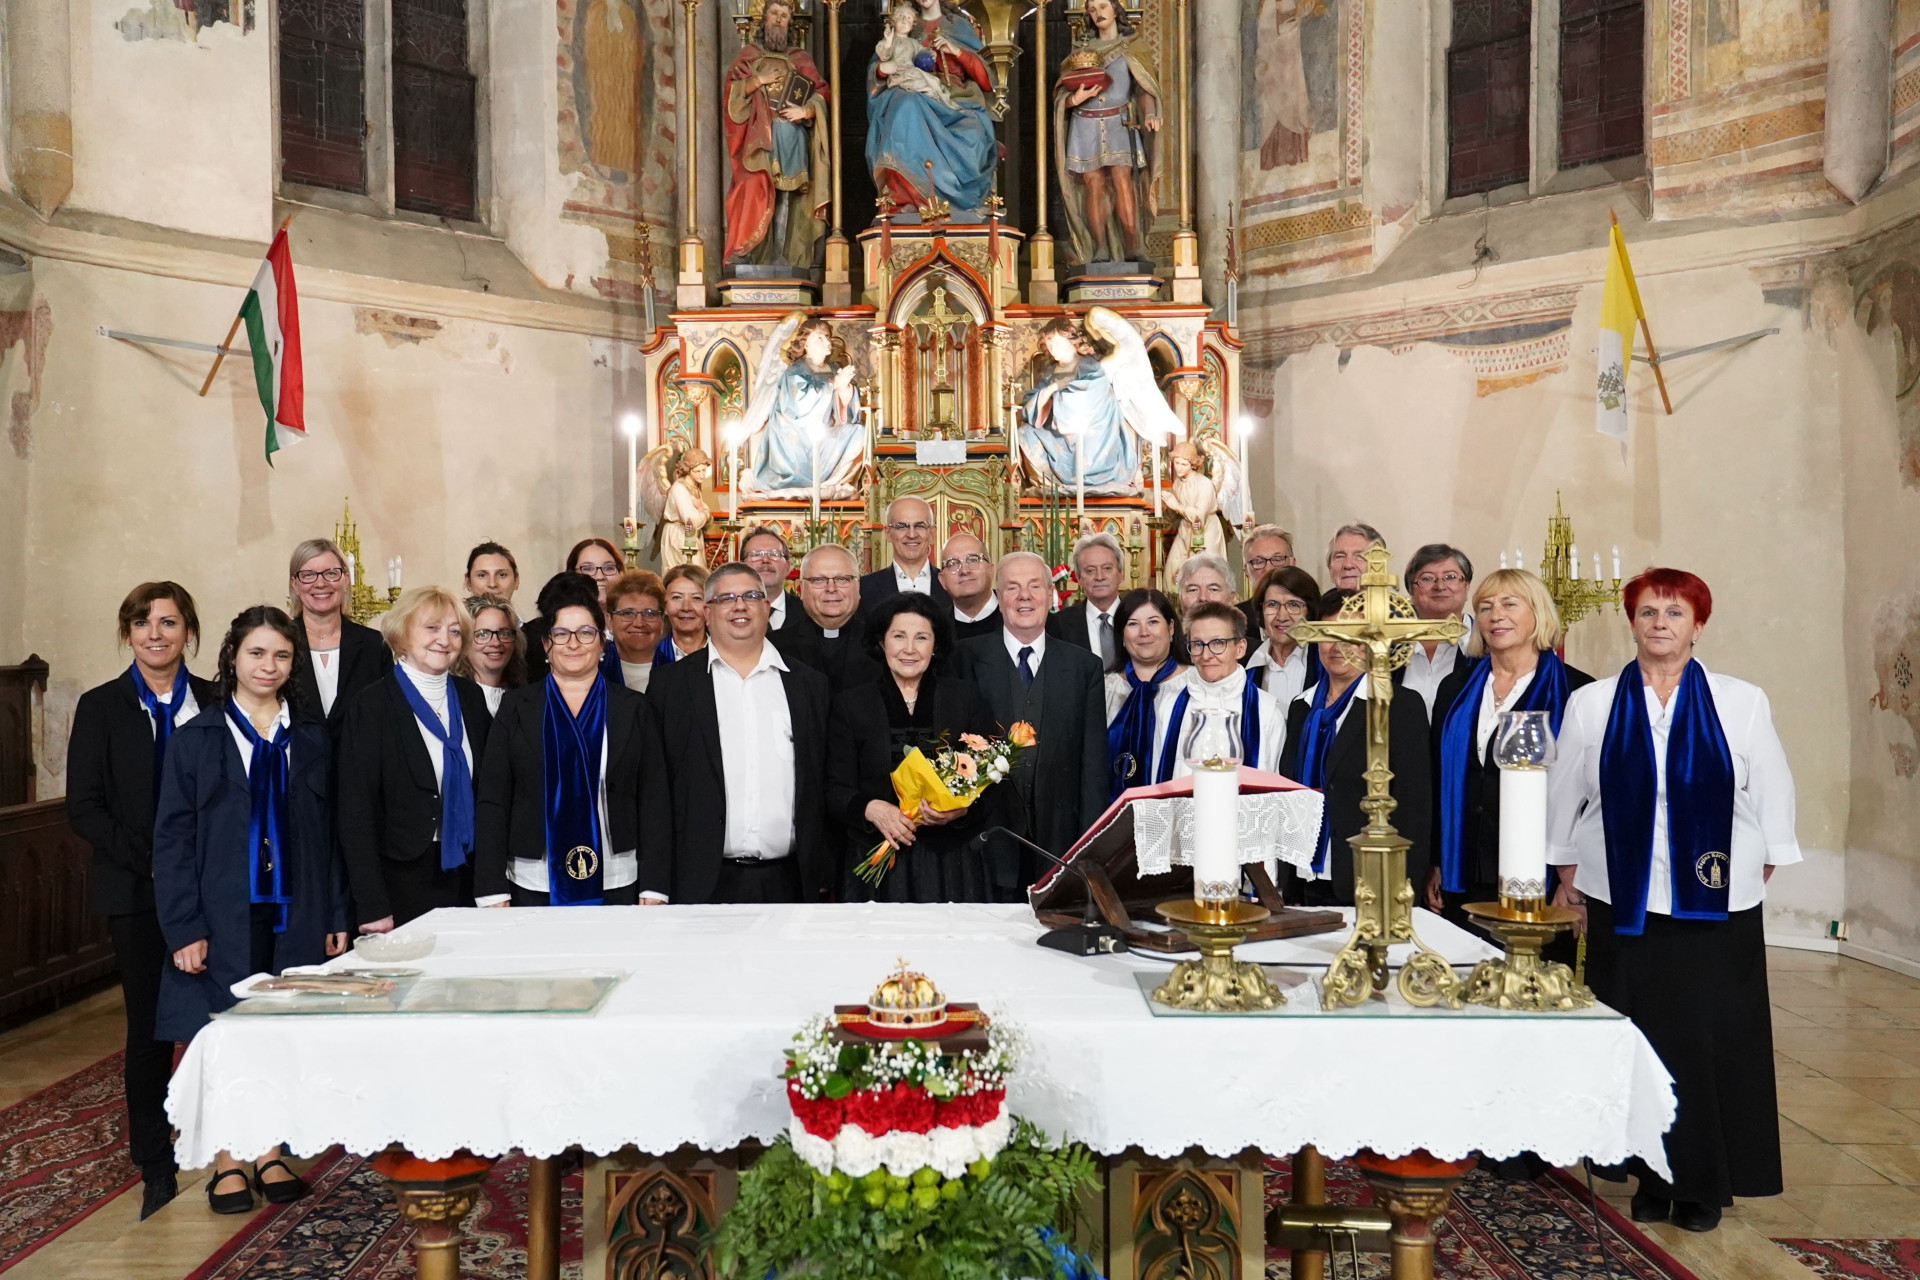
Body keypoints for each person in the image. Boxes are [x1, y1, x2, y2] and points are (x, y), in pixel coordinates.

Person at [1548, 569, 1799, 1233]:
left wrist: (1757, 862)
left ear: (1698, 625)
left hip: (1713, 906)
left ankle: (1700, 1184)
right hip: (1620, 897)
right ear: (1631, 621)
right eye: (1649, 611)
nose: (1661, 623)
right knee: (1637, 1040)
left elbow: (1772, 790)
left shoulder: (1740, 701)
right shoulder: (1595, 704)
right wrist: (1566, 869)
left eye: (1676, 613)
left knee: (1706, 1041)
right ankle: (1648, 1178)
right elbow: (1563, 790)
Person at [152, 606, 347, 1214]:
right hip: (222, 913)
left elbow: (330, 833)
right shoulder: (198, 739)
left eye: (282, 656)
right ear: (233, 656)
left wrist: (336, 913)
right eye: (257, 653)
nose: (269, 666)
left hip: (295, 911)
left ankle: (268, 1149)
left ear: (294, 665)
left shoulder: (310, 739)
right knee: (224, 1034)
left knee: (276, 1033)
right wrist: (184, 926)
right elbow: (172, 839)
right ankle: (227, 1161)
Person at [66, 582, 218, 1219]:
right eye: (141, 622)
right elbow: (85, 807)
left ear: (189, 633)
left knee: (219, 1024)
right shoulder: (101, 707)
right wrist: (152, 859)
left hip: (211, 893)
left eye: (169, 622)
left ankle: (230, 1150)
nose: (155, 633)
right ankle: (155, 1161)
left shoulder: (215, 700)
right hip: (134, 891)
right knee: (149, 1028)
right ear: (127, 633)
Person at [648, 563, 832, 903]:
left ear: (766, 607)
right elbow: (655, 790)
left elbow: (822, 782)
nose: (740, 605)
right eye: (726, 598)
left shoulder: (809, 686)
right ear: (707, 611)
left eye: (751, 596)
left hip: (792, 880)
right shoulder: (670, 686)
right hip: (699, 880)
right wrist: (655, 881)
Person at [473, 591, 671, 907]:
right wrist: (491, 887)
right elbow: (493, 799)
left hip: (617, 876)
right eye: (561, 634)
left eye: (585, 633)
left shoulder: (633, 708)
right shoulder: (517, 708)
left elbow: (654, 799)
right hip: (533, 879)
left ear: (602, 643)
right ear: (546, 645)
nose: (573, 643)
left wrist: (655, 886)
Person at [1427, 569, 1592, 917]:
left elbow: (1586, 794)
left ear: (1538, 613)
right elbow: (1437, 779)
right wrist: (1436, 862)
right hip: (1464, 869)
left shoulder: (1576, 690)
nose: (1495, 615)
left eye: (1509, 604)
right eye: (1485, 607)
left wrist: (1570, 877)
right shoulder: (1455, 689)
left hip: (1541, 875)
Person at [827, 593, 1002, 902]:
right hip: (876, 857)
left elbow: (991, 782)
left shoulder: (966, 699)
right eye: (898, 636)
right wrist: (873, 809)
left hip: (951, 863)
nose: (909, 649)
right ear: (882, 642)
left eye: (921, 637)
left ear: (935, 646)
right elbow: (834, 788)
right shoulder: (850, 704)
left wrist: (960, 809)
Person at [337, 587, 493, 932]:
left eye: (455, 631)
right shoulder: (372, 706)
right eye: (432, 628)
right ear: (402, 634)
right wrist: (371, 904)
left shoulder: (471, 698)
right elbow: (355, 811)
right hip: (401, 878)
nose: (445, 639)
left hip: (468, 872)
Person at [957, 552, 1107, 897]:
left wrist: (1089, 847)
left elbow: (1093, 766)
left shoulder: (1084, 667)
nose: (1024, 596)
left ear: (1050, 595)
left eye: (1034, 586)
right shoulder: (964, 658)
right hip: (985, 846)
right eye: (1012, 587)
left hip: (1060, 845)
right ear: (998, 598)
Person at [1279, 589, 1431, 906]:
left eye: (1351, 635)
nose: (1337, 646)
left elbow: (1415, 808)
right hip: (1305, 873)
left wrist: (1404, 888)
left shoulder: (1398, 705)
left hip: (1370, 878)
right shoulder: (1302, 708)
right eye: (1328, 634)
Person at [722, 0, 831, 268]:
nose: (780, 19)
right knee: (753, 188)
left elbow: (823, 94)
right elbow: (731, 94)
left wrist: (806, 111)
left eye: (785, 15)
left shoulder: (801, 58)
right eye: (774, 13)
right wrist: (758, 80)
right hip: (758, 140)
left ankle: (782, 256)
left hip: (791, 135)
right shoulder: (749, 54)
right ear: (764, 18)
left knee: (787, 195)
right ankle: (749, 252)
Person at [1053, 0, 1162, 264]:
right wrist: (1073, 99)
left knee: (1123, 180)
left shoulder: (1134, 46)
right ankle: (1099, 248)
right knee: (1094, 185)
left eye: (1103, 6)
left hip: (1119, 122)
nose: (1098, 13)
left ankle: (1133, 246)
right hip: (1084, 124)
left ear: (1116, 10)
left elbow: (1143, 87)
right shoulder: (1080, 51)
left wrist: (1149, 114)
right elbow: (1062, 93)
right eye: (1092, 10)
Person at [864, 0, 997, 215]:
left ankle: (960, 203)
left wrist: (957, 51)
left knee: (974, 131)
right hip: (913, 91)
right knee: (903, 107)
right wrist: (881, 70)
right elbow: (878, 66)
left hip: (957, 100)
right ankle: (907, 199)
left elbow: (987, 81)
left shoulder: (959, 26)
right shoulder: (905, 26)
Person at [1151, 602, 1284, 778]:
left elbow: (1273, 787)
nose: (1206, 656)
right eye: (1197, 644)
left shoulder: (1267, 711)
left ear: (1240, 648)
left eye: (1218, 643)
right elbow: (1158, 785)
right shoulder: (1168, 706)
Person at [741, 318, 864, 496]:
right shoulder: (795, 371)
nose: (827, 342)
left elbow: (846, 414)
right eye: (820, 338)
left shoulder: (832, 368)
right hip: (792, 442)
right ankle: (811, 484)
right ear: (805, 344)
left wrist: (845, 390)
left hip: (820, 437)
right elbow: (797, 408)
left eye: (828, 337)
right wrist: (834, 384)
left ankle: (832, 482)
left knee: (859, 432)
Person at [287, 538, 391, 730]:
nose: (320, 583)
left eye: (331, 573)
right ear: (295, 584)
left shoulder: (375, 645)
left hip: (360, 758)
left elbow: (389, 716)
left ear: (346, 579)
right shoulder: (280, 644)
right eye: (309, 575)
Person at [1103, 588, 1188, 798]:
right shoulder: (1105, 689)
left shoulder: (1195, 686)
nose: (1144, 632)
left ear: (1170, 628)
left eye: (1153, 622)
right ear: (1122, 634)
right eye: (1133, 624)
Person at [795, 543, 879, 691]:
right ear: (801, 589)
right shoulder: (776, 648)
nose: (831, 588)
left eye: (842, 579)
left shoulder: (881, 646)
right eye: (818, 580)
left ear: (858, 587)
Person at [1402, 543, 1473, 714]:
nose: (1440, 586)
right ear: (1411, 590)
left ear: (1466, 587)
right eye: (1427, 578)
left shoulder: (1489, 646)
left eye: (1450, 577)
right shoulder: (1392, 646)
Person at [1245, 567, 1320, 707]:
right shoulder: (1245, 665)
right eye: (1272, 605)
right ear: (1261, 611)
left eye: (1294, 605)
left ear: (1309, 612)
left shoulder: (1323, 663)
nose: (1282, 616)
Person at [1048, 531, 1124, 665]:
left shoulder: (1138, 616)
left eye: (1107, 568)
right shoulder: (1058, 624)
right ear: (1078, 578)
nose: (1099, 577)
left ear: (1121, 573)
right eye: (1090, 570)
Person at [861, 496, 950, 610]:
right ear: (888, 533)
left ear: (932, 533)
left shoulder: (951, 585)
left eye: (919, 526)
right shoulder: (864, 588)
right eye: (902, 527)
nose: (911, 535)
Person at [458, 594, 527, 714]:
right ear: (464, 642)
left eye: (504, 633)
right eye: (483, 634)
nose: (496, 643)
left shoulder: (526, 698)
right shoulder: (453, 697)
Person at [606, 569, 668, 693]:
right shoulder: (594, 670)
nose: (639, 623)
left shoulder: (679, 674)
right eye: (627, 613)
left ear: (662, 621)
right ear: (610, 621)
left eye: (649, 614)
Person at [1237, 524, 1296, 646]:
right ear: (1246, 570)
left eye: (1278, 559)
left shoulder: (1314, 613)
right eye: (1258, 562)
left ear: (1293, 564)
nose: (1269, 569)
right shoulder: (1233, 620)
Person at [938, 533, 1000, 642]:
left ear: (991, 570)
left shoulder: (1018, 616)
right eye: (953, 564)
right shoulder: (935, 628)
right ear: (942, 580)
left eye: (972, 560)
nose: (964, 571)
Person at [660, 563, 711, 663]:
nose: (686, 607)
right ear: (664, 605)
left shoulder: (729, 657)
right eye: (677, 597)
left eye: (696, 598)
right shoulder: (650, 656)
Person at [1325, 522, 1385, 591]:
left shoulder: (1396, 601)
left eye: (1360, 556)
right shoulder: (1316, 601)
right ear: (1330, 570)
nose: (1348, 565)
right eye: (1340, 556)